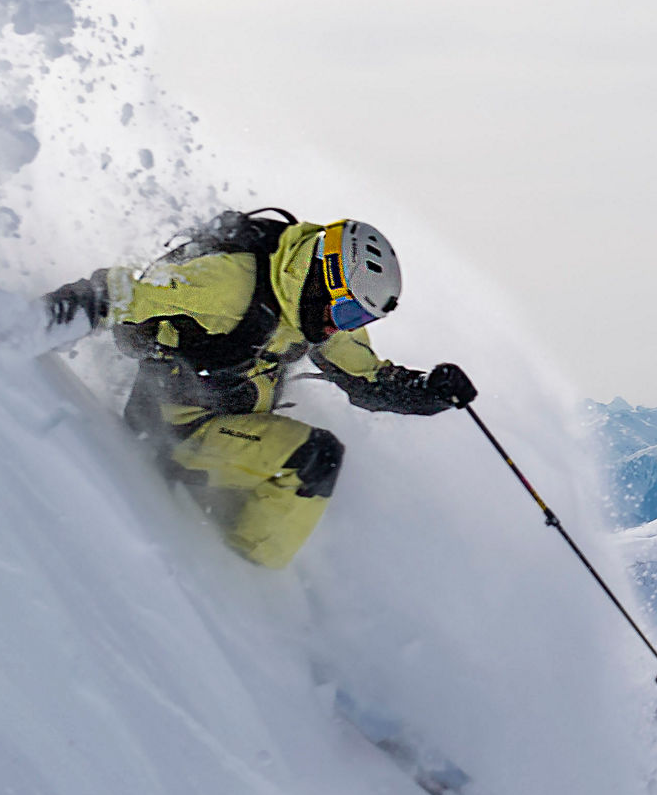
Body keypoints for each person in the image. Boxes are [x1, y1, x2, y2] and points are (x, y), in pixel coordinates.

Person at [38, 208, 477, 567]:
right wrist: (34, 321)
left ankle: (239, 543)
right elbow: (118, 296)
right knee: (313, 460)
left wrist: (430, 391)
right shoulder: (229, 285)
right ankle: (238, 586)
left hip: (231, 427)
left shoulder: (312, 309)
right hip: (171, 429)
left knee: (307, 464)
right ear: (325, 278)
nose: (337, 329)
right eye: (346, 315)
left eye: (356, 321)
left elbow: (370, 383)